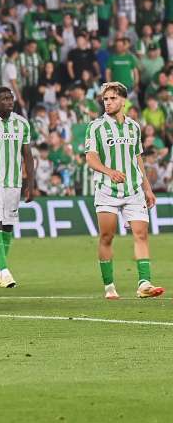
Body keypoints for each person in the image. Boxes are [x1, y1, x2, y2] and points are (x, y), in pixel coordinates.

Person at [84, 82, 163, 300]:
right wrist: (108, 171)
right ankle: (109, 286)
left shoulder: (134, 127)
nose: (108, 103)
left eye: (112, 98)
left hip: (133, 190)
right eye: (105, 99)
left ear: (123, 100)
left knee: (141, 234)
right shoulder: (96, 126)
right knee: (107, 236)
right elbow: (90, 157)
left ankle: (144, 283)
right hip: (107, 190)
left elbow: (137, 159)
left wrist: (147, 188)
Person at [0, 86, 36, 289]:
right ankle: (5, 271)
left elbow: (27, 155)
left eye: (10, 98)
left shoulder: (21, 123)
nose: (8, 102)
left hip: (14, 182)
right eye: (3, 98)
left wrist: (30, 183)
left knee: (7, 225)